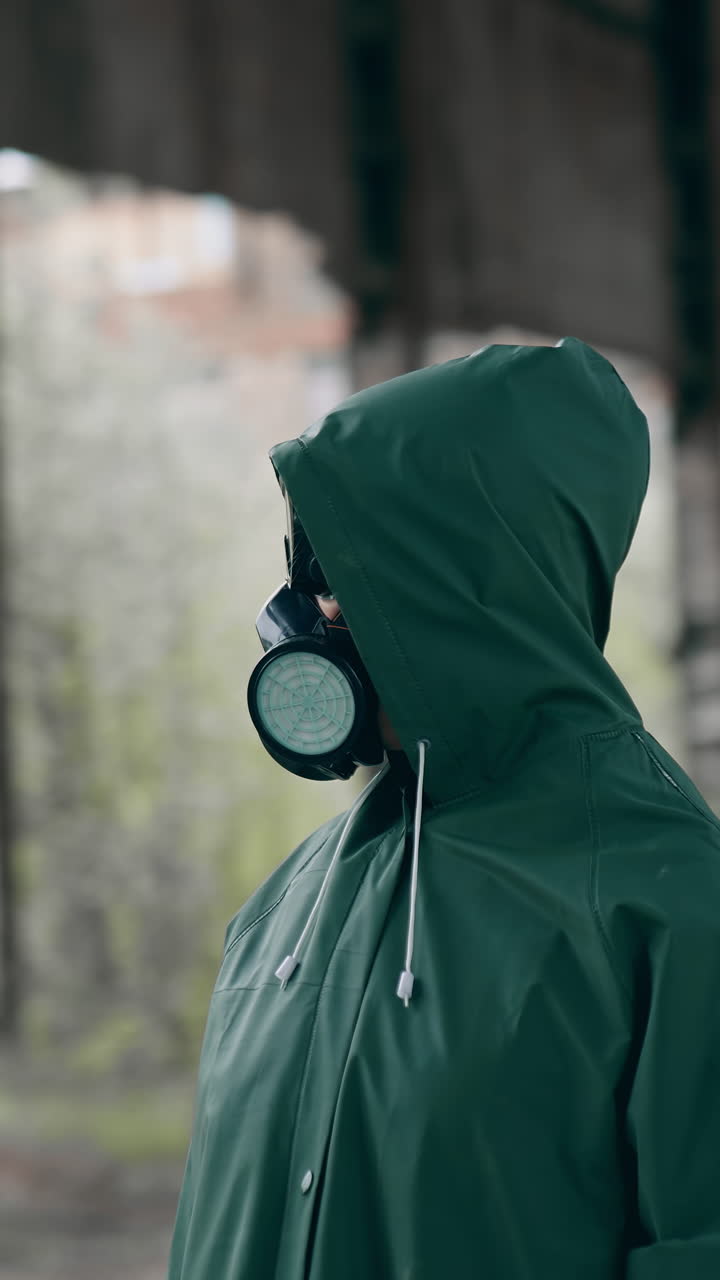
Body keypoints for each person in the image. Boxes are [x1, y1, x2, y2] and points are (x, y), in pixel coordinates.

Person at [168, 337, 720, 1279]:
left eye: (344, 580)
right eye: (311, 577)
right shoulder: (281, 911)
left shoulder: (670, 910)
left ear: (472, 585)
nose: (309, 620)